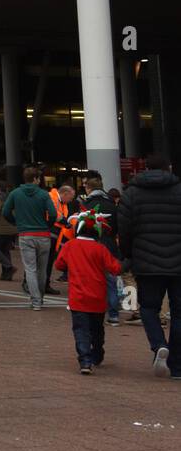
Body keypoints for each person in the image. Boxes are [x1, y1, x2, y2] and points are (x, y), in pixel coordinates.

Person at [117, 154, 181, 379]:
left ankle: (158, 345)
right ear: (168, 167)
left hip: (146, 262)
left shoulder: (132, 194)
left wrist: (128, 254)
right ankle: (177, 364)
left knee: (148, 308)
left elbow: (123, 229)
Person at [54, 212, 123, 375]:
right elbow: (115, 268)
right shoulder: (101, 249)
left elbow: (59, 265)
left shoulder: (70, 246)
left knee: (80, 329)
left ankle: (85, 360)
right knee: (97, 328)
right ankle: (97, 353)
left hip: (78, 296)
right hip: (98, 296)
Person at [2, 167, 59, 310]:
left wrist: (16, 222)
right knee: (42, 269)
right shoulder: (44, 194)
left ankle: (36, 301)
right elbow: (52, 214)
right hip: (43, 236)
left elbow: (5, 211)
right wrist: (47, 225)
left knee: (30, 269)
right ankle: (40, 297)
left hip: (25, 235)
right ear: (35, 179)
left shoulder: (15, 193)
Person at [81, 175, 121, 325]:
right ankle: (114, 315)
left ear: (89, 188)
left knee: (90, 279)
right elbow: (117, 226)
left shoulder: (86, 204)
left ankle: (93, 312)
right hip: (109, 244)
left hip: (91, 245)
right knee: (111, 281)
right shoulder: (111, 204)